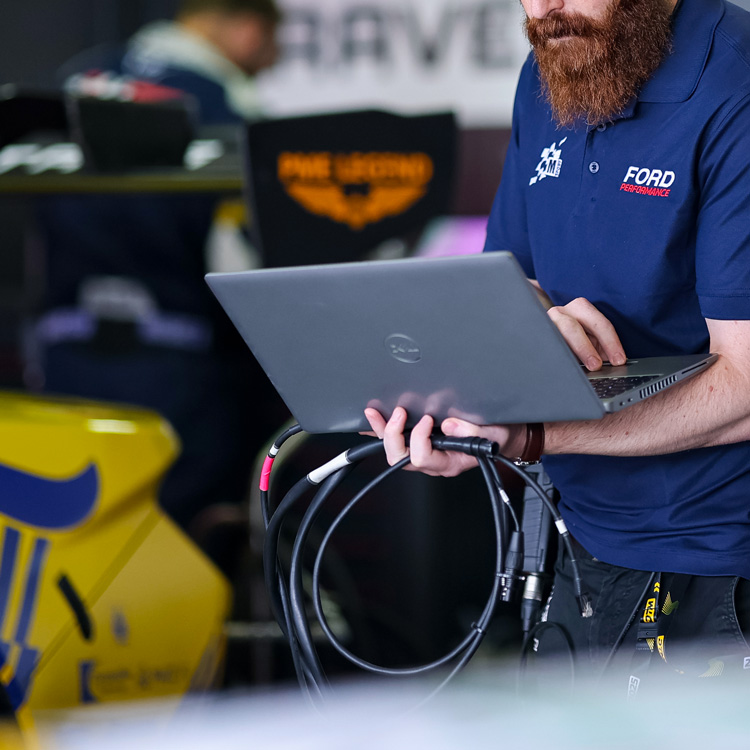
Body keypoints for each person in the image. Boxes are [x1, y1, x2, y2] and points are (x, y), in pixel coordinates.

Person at [367, 0, 750, 686]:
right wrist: (529, 321)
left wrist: (533, 434)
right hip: (573, 546)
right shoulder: (556, 63)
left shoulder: (736, 82)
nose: (544, 8)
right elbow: (512, 280)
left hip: (718, 561)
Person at [34, 0, 287, 569]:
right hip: (181, 372)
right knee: (172, 556)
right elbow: (246, 265)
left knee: (76, 551)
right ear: (249, 31)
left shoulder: (79, 77)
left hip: (63, 358)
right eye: (274, 47)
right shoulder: (221, 101)